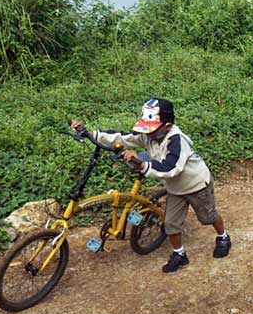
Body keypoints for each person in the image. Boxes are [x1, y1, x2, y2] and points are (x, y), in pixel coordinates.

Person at [70, 98, 231, 274]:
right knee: (171, 224)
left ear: (167, 126)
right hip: (175, 189)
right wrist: (91, 134)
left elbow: (171, 167)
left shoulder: (177, 141)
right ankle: (179, 254)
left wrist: (142, 165)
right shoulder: (149, 136)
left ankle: (223, 236)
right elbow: (121, 137)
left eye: (153, 130)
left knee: (208, 216)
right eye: (147, 130)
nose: (149, 135)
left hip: (196, 184)